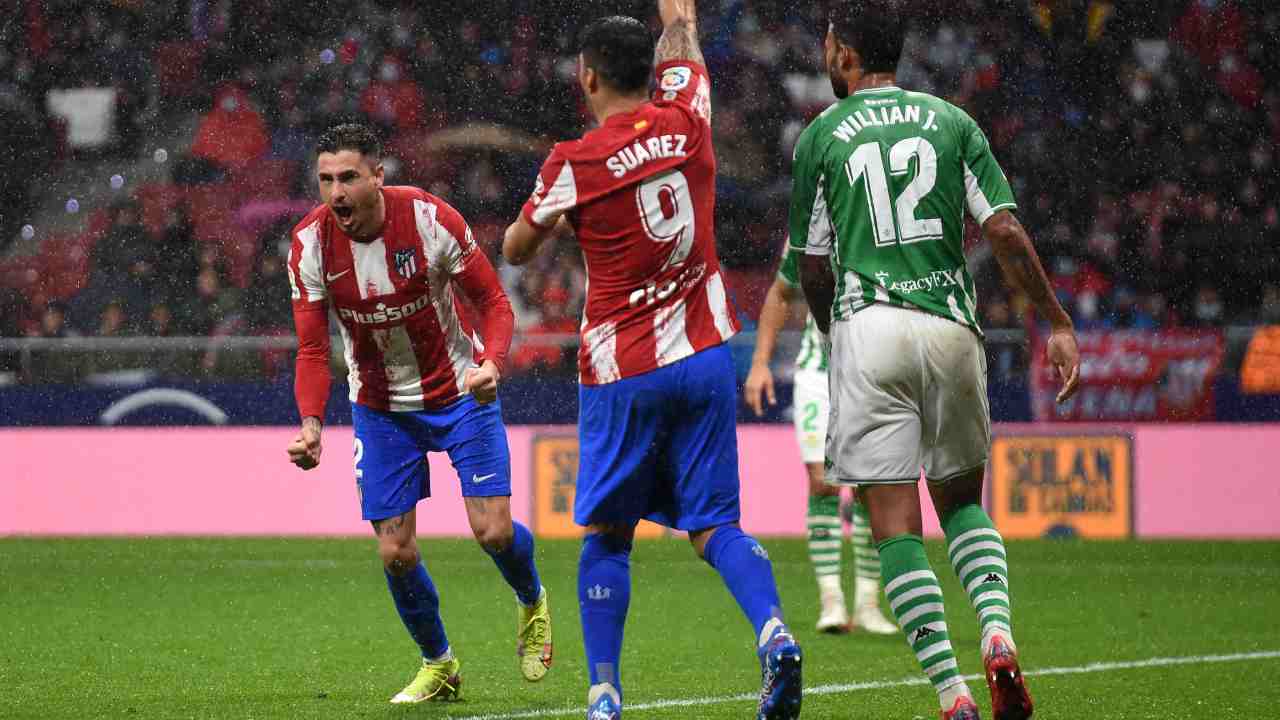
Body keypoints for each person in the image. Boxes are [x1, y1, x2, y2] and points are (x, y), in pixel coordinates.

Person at [502, 2, 802, 719]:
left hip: (623, 366)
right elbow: (688, 53)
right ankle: (774, 632)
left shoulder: (574, 161)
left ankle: (604, 694)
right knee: (715, 527)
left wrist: (559, 214)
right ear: (653, 71)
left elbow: (517, 247)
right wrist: (682, 20)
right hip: (704, 355)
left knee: (608, 534)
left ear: (588, 75)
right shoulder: (688, 118)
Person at [792, 6, 1081, 720]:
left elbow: (813, 264)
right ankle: (997, 634)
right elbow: (1006, 230)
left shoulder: (822, 136)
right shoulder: (952, 123)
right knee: (961, 502)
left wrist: (835, 343)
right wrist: (1058, 322)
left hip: (872, 329)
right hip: (951, 324)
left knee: (894, 523)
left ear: (846, 55)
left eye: (829, 44)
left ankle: (953, 696)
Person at [285, 123, 551, 705]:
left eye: (349, 177)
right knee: (395, 551)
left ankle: (531, 598)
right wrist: (310, 423)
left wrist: (493, 362)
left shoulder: (430, 219)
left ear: (379, 176)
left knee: (494, 532)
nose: (336, 193)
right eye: (326, 179)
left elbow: (493, 302)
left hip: (460, 393)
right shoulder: (308, 246)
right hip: (381, 409)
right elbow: (311, 349)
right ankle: (439, 663)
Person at [744, 242, 897, 636]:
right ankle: (831, 600)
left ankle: (867, 603)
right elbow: (781, 291)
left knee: (870, 485)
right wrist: (760, 362)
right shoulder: (807, 225)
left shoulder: (877, 215)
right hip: (817, 371)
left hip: (872, 370)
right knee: (824, 484)